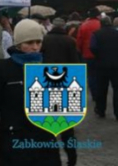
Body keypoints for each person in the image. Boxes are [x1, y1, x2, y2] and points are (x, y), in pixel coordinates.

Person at [0, 19, 62, 166]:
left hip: (44, 142)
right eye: (29, 43)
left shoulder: (50, 69)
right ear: (18, 44)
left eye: (38, 42)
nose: (35, 47)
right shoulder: (3, 69)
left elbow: (61, 111)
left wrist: (70, 143)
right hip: (13, 141)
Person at [41, 17, 80, 166]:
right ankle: (72, 157)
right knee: (67, 127)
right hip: (65, 82)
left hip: (47, 81)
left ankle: (51, 156)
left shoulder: (45, 39)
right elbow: (75, 64)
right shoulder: (70, 41)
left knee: (47, 122)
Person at [89, 16, 118, 121]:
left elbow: (93, 47)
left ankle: (101, 110)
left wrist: (98, 55)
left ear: (101, 23)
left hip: (101, 65)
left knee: (102, 89)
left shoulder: (96, 34)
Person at [76, 8, 101, 97]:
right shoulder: (100, 24)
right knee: (100, 75)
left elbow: (79, 40)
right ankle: (100, 93)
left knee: (91, 75)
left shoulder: (83, 25)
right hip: (99, 54)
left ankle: (94, 94)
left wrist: (79, 50)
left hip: (86, 54)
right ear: (98, 15)